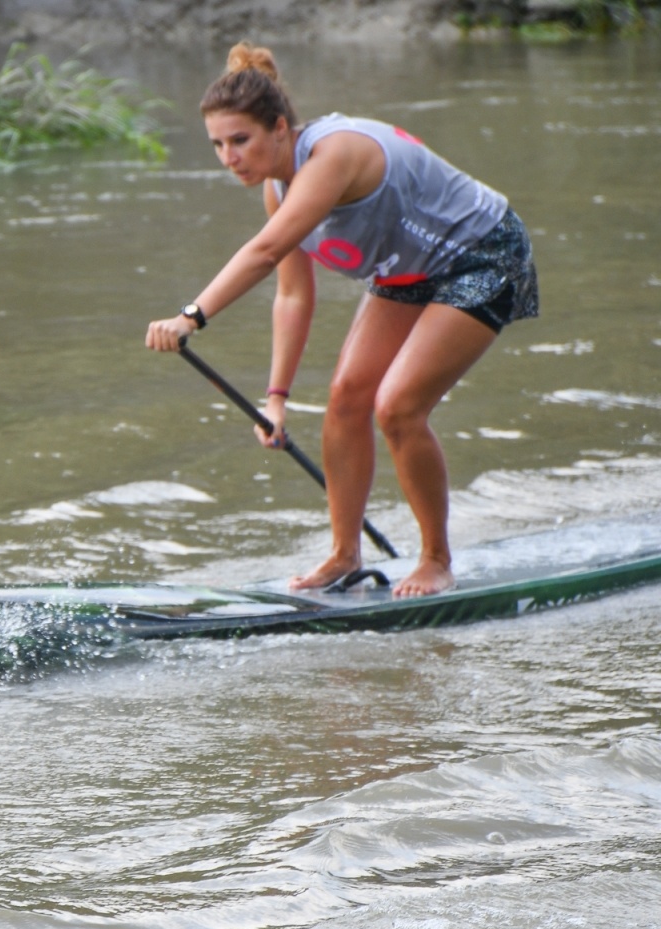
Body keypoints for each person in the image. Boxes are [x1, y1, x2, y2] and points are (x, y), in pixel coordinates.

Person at [145, 42, 538, 597]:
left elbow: (263, 252)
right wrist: (275, 399)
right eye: (217, 145)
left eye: (241, 140)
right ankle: (343, 556)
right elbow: (292, 297)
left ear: (279, 128)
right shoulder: (277, 191)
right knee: (347, 397)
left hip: (481, 252)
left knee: (398, 407)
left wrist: (192, 316)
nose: (229, 157)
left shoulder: (333, 155)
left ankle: (435, 559)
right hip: (409, 270)